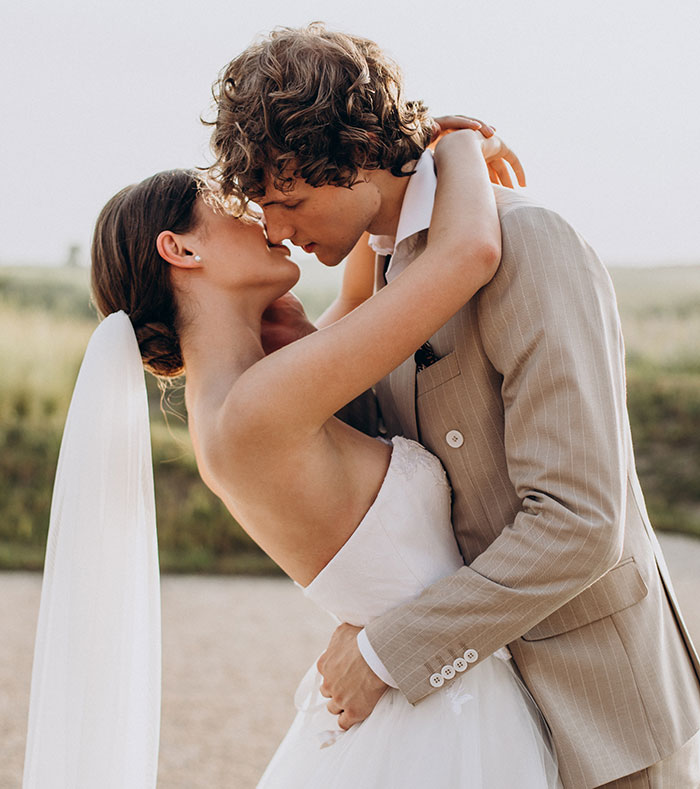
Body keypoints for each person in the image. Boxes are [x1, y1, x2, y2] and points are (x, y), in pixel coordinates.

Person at [209, 23, 700, 788]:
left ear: (360, 158)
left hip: (602, 720)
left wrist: (385, 649)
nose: (276, 229)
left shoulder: (528, 243)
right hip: (475, 718)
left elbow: (582, 521)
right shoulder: (383, 275)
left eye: (289, 200)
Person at [23, 131, 560, 788]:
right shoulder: (254, 409)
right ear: (181, 247)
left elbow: (361, 298)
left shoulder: (242, 393)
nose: (261, 216)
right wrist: (462, 149)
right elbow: (468, 253)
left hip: (429, 690)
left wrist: (382, 164)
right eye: (231, 202)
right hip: (441, 719)